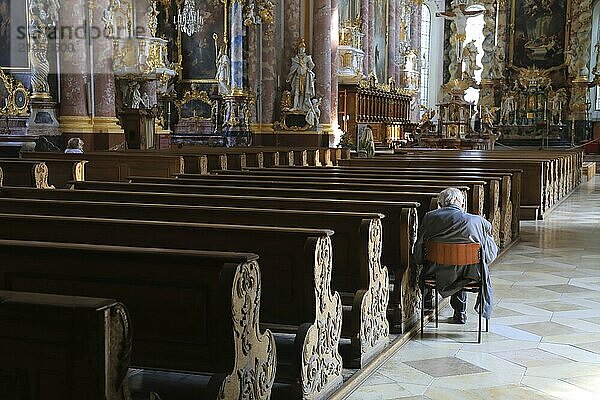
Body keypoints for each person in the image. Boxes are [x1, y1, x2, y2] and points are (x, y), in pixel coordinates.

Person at [414, 187, 498, 324]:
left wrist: (420, 262)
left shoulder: (429, 217)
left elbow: (419, 248)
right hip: (469, 275)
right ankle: (460, 313)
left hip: (436, 272)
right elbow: (490, 255)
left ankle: (432, 302)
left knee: (451, 265)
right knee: (462, 266)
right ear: (461, 203)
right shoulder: (478, 221)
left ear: (440, 204)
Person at [287, 38, 316, 112]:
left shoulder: (307, 58)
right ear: (298, 49)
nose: (302, 50)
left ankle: (301, 107)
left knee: (303, 93)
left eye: (303, 48)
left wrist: (309, 69)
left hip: (305, 77)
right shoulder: (295, 59)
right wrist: (289, 77)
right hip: (297, 77)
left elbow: (312, 65)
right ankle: (295, 107)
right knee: (296, 92)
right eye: (301, 48)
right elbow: (292, 70)